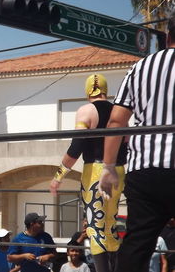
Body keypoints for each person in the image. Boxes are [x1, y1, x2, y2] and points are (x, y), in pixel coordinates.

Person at [98, 13, 175, 272]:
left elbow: (116, 121)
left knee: (137, 243)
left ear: (167, 36)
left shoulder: (140, 67)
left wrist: (108, 167)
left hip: (144, 170)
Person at [49, 73, 127, 272]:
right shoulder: (119, 112)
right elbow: (127, 145)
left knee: (95, 228)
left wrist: (58, 177)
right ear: (106, 90)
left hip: (95, 171)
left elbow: (76, 146)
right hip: (118, 170)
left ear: (87, 91)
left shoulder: (86, 111)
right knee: (111, 226)